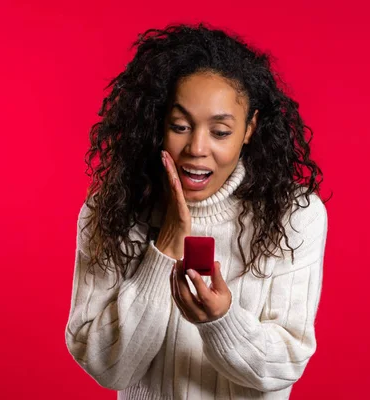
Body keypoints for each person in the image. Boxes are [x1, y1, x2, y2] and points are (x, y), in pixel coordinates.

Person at [65, 22, 329, 400]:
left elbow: (286, 364)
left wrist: (221, 321)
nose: (197, 148)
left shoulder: (294, 215)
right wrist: (165, 246)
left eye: (220, 131)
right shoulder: (112, 210)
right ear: (157, 122)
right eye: (180, 125)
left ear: (249, 128)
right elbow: (108, 368)